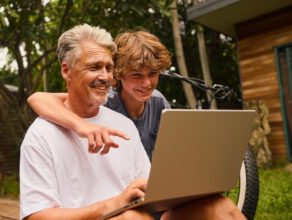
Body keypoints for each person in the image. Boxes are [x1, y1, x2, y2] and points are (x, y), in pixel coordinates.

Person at [20, 24, 245, 220]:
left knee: (220, 208)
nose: (105, 76)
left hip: (142, 213)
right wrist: (82, 126)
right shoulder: (43, 134)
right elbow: (40, 99)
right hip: (108, 215)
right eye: (94, 66)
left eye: (108, 67)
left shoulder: (130, 121)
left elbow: (150, 188)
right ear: (66, 71)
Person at [27, 30, 172, 161]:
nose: (146, 83)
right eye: (136, 75)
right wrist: (82, 125)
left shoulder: (158, 102)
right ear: (118, 73)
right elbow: (38, 98)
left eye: (153, 74)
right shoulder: (102, 101)